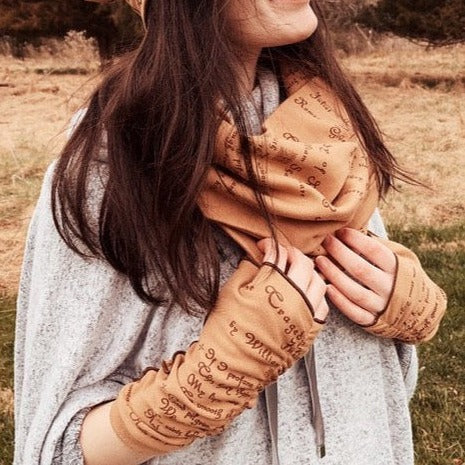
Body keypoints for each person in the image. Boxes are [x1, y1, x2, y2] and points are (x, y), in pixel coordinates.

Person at [13, 1, 447, 465]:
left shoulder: (329, 137)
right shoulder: (114, 172)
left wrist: (395, 309)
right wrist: (216, 376)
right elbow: (53, 449)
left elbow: (383, 396)